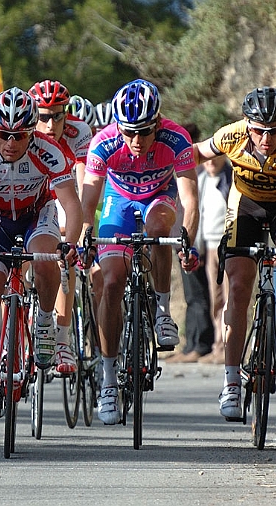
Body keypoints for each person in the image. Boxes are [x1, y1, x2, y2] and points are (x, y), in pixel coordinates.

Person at [193, 86, 276, 421]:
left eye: (274, 130)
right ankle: (231, 382)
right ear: (246, 122)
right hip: (245, 206)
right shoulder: (231, 137)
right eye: (258, 130)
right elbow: (194, 154)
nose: (266, 138)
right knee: (238, 287)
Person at [0, 87, 82, 428]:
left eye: (19, 135)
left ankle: (45, 323)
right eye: (3, 134)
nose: (10, 143)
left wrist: (69, 241)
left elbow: (71, 204)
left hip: (36, 213)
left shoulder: (48, 151)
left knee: (44, 257)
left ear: (31, 132)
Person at [79, 79, 199, 425]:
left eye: (144, 131)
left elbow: (190, 201)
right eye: (128, 131)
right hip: (118, 203)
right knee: (112, 281)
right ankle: (107, 378)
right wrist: (87, 237)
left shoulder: (176, 139)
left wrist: (186, 239)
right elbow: (89, 202)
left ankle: (162, 311)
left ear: (158, 122)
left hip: (159, 198)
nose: (135, 140)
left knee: (160, 228)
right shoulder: (104, 142)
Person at [27, 80, 93, 375]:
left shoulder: (78, 132)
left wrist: (76, 228)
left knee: (66, 261)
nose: (50, 123)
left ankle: (63, 341)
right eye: (43, 116)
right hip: (33, 197)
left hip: (64, 197)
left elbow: (83, 181)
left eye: (57, 115)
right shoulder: (22, 134)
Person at [168, 124, 232, 363]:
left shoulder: (227, 179)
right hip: (195, 243)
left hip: (215, 245)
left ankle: (210, 345)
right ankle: (199, 345)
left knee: (213, 296)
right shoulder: (197, 178)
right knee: (201, 297)